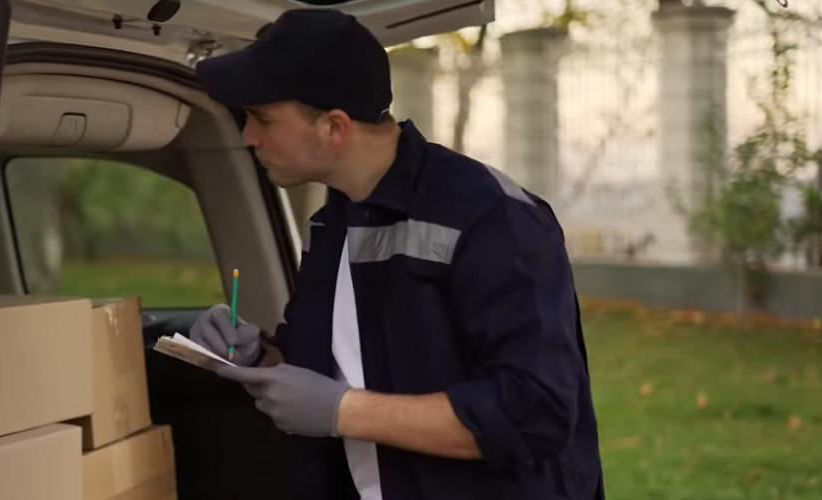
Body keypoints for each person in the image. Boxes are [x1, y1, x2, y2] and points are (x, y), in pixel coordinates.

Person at [185, 8, 606, 500]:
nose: (247, 136)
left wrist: (342, 411)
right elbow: (327, 369)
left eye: (261, 118)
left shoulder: (493, 219)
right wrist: (258, 355)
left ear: (334, 128)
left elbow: (534, 410)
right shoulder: (333, 223)